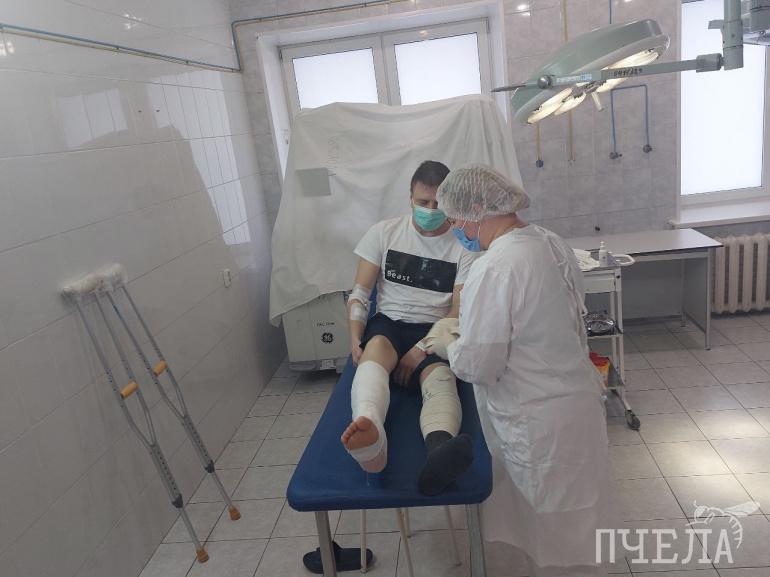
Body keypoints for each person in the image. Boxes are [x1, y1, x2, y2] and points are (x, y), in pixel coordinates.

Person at [427, 165, 612, 577]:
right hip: (575, 400)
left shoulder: (494, 267)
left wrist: (449, 345)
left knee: (555, 536)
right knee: (579, 525)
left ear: (478, 208)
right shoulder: (549, 241)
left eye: (455, 220)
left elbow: (480, 364)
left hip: (539, 418)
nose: (455, 229)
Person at [340, 160, 476, 496]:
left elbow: (458, 312)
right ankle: (371, 436)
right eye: (422, 202)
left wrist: (421, 350)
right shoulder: (383, 233)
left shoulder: (464, 246)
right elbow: (359, 295)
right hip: (390, 324)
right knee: (374, 352)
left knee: (440, 378)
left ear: (451, 203)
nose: (430, 210)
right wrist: (355, 338)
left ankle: (439, 452)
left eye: (438, 203)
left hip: (437, 328)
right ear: (410, 199)